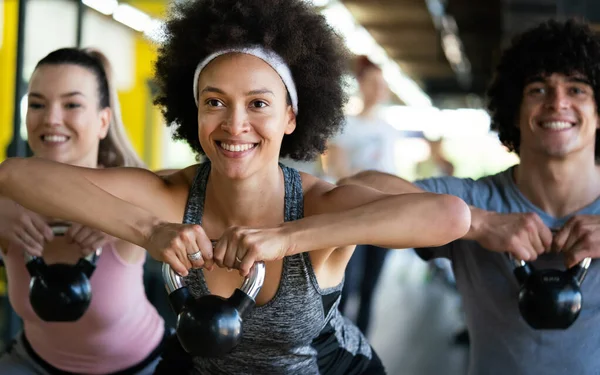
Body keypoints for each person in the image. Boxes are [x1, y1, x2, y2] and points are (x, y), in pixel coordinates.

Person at [0, 1, 471, 374]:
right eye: (215, 102)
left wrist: (285, 237)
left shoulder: (317, 204)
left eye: (259, 103)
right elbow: (17, 176)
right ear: (196, 111)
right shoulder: (172, 197)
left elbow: (451, 217)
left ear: (291, 116)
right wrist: (149, 232)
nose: (235, 124)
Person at [338, 19, 600, 375]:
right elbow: (354, 191)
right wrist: (477, 223)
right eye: (538, 89)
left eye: (577, 90)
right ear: (515, 112)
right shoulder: (474, 200)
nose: (557, 102)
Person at [0, 48, 168, 374]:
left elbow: (204, 195)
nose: (50, 118)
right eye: (36, 104)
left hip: (142, 365)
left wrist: (129, 219)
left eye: (72, 105)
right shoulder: (6, 195)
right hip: (34, 363)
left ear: (103, 121)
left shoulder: (132, 193)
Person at [326, 56, 397, 336]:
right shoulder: (345, 125)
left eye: (382, 83)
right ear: (361, 85)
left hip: (385, 215)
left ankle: (360, 351)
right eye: (373, 82)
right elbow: (337, 168)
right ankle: (336, 346)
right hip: (353, 214)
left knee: (370, 289)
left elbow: (392, 174)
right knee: (347, 285)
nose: (379, 88)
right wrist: (362, 180)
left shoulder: (389, 130)